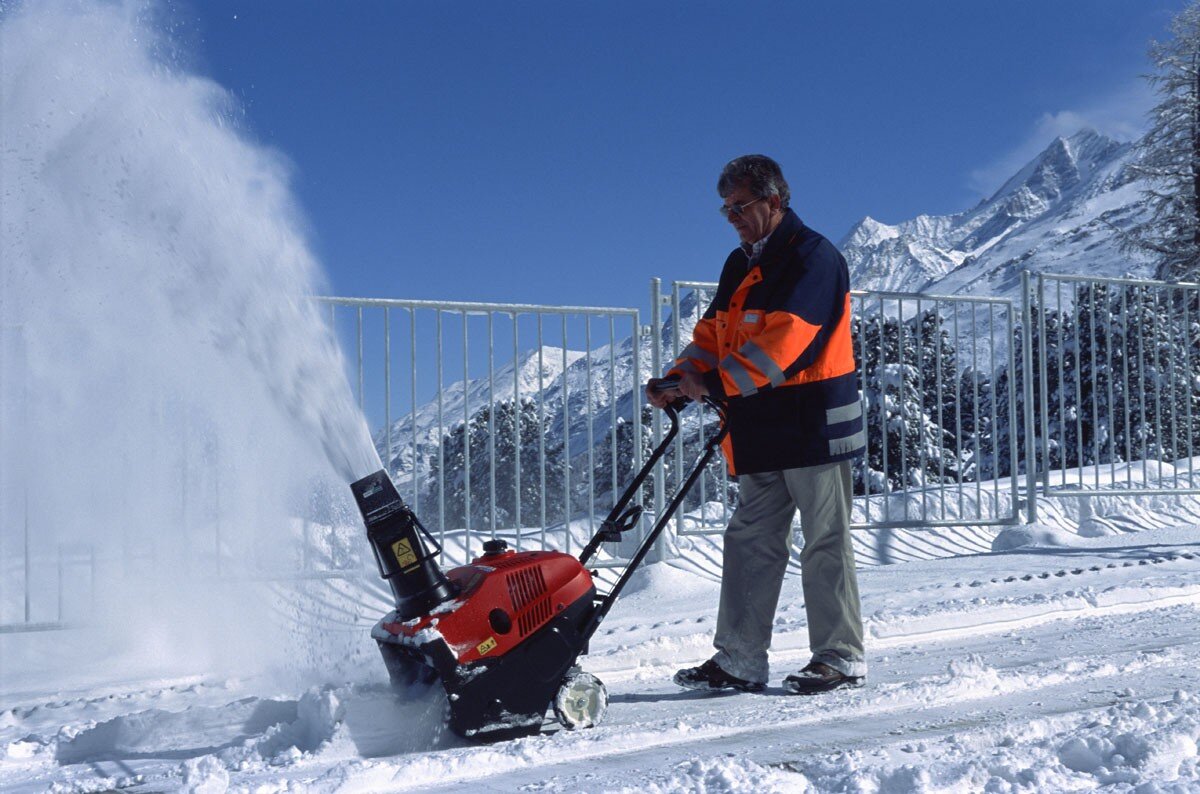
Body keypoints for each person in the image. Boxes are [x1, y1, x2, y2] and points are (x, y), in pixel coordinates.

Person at [646, 154, 866, 695]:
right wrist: (678, 378)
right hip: (760, 425)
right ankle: (740, 660)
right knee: (750, 541)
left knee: (824, 541)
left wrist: (715, 385)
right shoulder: (739, 263)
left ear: (774, 200)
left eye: (739, 206)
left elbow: (785, 344)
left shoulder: (813, 257)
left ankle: (840, 657)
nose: (731, 217)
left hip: (813, 424)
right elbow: (712, 336)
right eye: (725, 208)